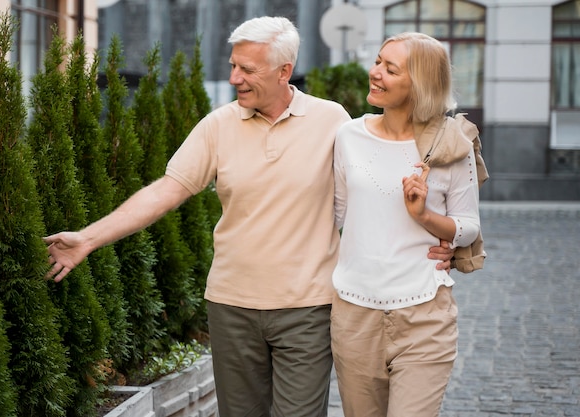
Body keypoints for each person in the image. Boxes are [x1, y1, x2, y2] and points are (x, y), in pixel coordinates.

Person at [44, 18, 454, 417]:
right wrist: (88, 238)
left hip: (307, 308)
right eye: (233, 66)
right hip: (231, 305)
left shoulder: (334, 122)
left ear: (284, 71)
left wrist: (440, 239)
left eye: (247, 69)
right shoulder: (218, 125)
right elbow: (166, 191)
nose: (235, 78)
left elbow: (378, 193)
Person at [330, 32, 482, 417]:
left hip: (424, 316)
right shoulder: (349, 136)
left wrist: (425, 217)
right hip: (354, 315)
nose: (374, 73)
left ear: (420, 84)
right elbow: (335, 216)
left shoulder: (452, 144)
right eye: (378, 61)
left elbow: (468, 227)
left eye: (389, 68)